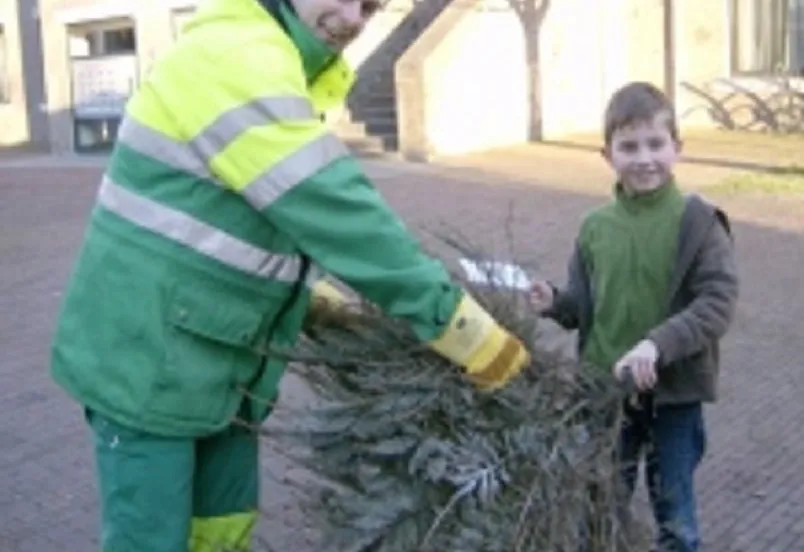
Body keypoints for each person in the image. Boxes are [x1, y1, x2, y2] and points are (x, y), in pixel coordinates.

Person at [49, 0, 530, 550]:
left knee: (223, 530)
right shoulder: (238, 54)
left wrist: (313, 297)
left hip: (215, 363)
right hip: (144, 364)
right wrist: (463, 329)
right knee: (151, 539)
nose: (353, 18)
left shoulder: (280, 64)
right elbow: (338, 213)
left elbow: (244, 214)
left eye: (371, 7)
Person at [528, 81, 739, 552]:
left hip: (673, 397)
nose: (644, 158)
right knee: (601, 508)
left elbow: (717, 302)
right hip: (606, 392)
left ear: (677, 148)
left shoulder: (699, 221)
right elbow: (584, 307)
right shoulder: (595, 227)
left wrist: (656, 345)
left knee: (676, 521)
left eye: (655, 144)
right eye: (629, 146)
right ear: (607, 155)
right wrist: (555, 302)